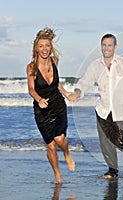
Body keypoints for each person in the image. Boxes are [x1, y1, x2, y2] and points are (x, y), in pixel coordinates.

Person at [73, 33, 123, 179]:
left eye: (109, 45)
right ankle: (113, 170)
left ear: (115, 47)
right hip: (103, 109)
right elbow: (85, 81)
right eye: (104, 45)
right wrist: (79, 91)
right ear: (101, 46)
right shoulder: (95, 65)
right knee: (105, 142)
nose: (106, 48)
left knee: (119, 141)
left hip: (122, 109)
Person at [26, 27, 75, 184]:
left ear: (50, 47)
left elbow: (56, 83)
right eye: (41, 46)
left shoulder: (55, 61)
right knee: (51, 146)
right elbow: (31, 89)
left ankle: (66, 153)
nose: (44, 49)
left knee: (60, 140)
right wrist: (39, 99)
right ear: (36, 48)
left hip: (58, 104)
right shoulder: (31, 67)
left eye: (47, 45)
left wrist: (66, 93)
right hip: (42, 110)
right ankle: (58, 176)